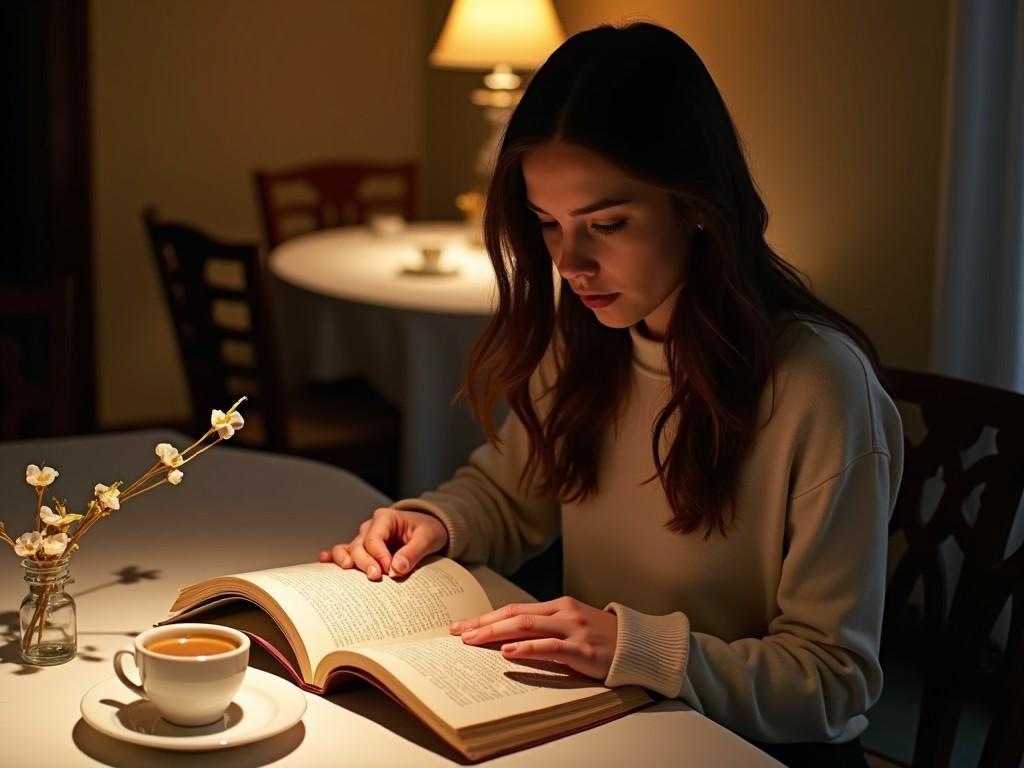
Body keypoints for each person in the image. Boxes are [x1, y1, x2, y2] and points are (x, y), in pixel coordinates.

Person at [319, 21, 901, 768]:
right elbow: (509, 496)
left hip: (753, 747)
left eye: (608, 224)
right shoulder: (590, 340)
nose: (572, 262)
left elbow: (834, 682)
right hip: (614, 724)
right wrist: (433, 520)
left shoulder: (818, 386)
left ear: (696, 204)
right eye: (548, 225)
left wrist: (641, 649)